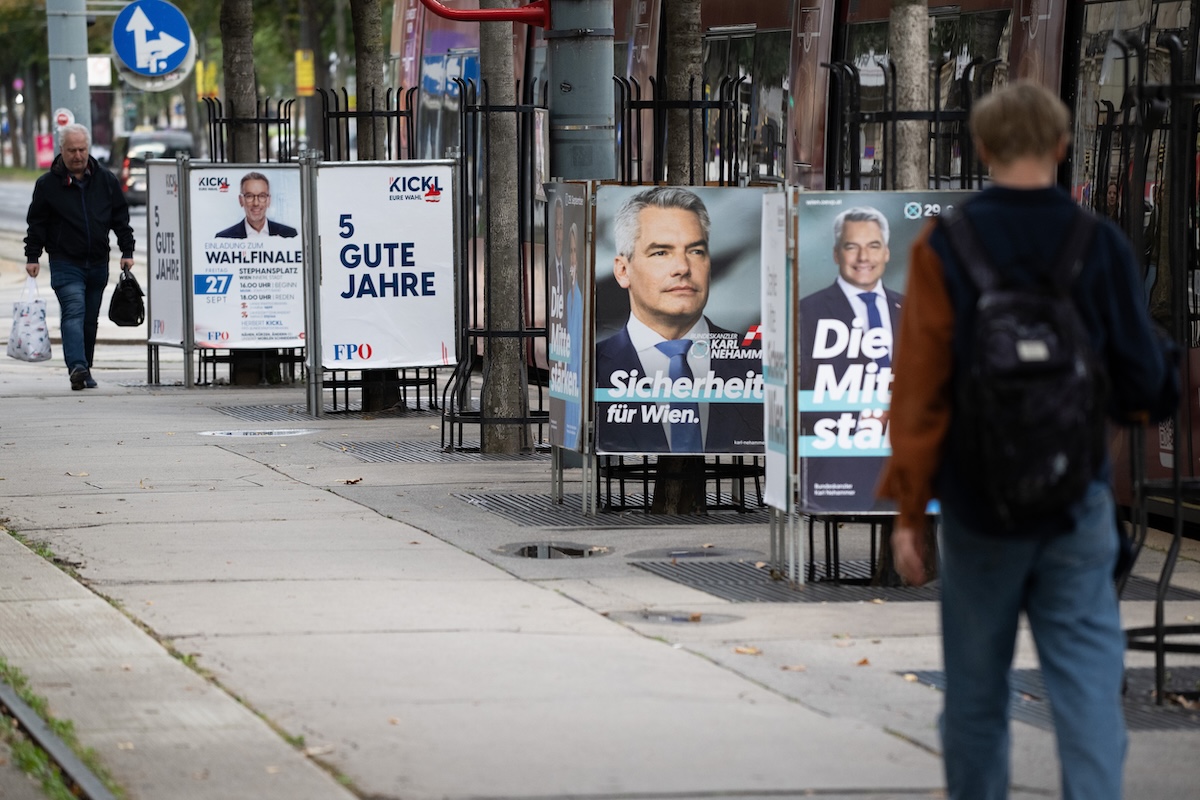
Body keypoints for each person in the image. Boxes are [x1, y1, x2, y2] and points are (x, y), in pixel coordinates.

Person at [878, 81, 1173, 800]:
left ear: (980, 149)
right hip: (1079, 502)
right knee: (1086, 695)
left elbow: (919, 392)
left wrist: (912, 513)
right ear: (1062, 147)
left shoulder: (945, 245)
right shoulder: (1098, 243)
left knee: (976, 697)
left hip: (979, 510)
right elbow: (1145, 383)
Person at [595, 186, 762, 454]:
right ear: (623, 270)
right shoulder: (594, 367)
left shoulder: (758, 362)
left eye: (696, 251)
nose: (683, 268)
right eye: (661, 252)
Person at [798, 206, 903, 511]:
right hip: (839, 461)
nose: (863, 258)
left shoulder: (910, 310)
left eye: (873, 246)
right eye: (851, 247)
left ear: (886, 252)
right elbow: (799, 390)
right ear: (836, 254)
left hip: (903, 457)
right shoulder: (808, 312)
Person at [24, 123, 136, 391]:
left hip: (98, 262)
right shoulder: (47, 185)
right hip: (65, 261)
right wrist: (32, 256)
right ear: (61, 150)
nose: (77, 155)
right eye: (72, 150)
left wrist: (127, 250)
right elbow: (36, 223)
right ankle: (77, 366)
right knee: (73, 311)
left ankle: (85, 368)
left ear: (89, 149)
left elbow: (120, 218)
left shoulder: (106, 180)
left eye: (82, 149)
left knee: (89, 319)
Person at [214, 172, 298, 239]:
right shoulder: (224, 238)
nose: (256, 203)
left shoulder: (289, 235)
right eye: (249, 196)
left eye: (262, 196)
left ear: (268, 200)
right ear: (241, 200)